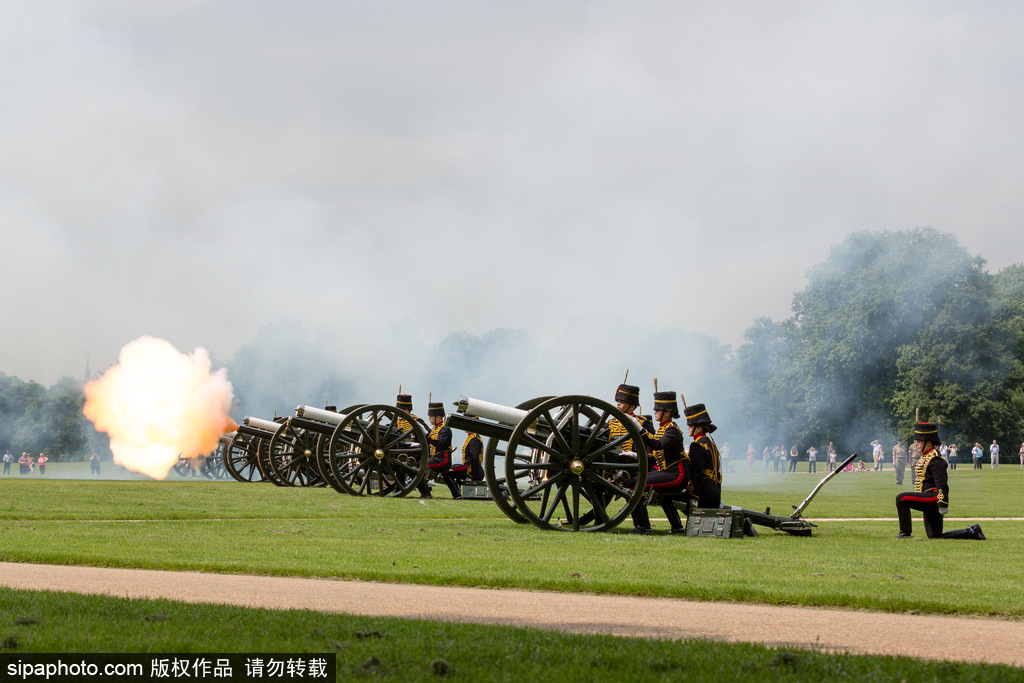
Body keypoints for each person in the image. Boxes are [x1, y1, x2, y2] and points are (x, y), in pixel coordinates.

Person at [895, 422, 985, 540]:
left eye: (919, 441)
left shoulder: (936, 459)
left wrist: (942, 504)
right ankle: (972, 532)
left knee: (902, 498)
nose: (916, 443)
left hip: (933, 497)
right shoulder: (926, 456)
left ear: (928, 442)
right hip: (927, 497)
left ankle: (905, 533)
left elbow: (941, 484)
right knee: (935, 536)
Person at [624, 391, 688, 535]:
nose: (655, 412)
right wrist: (635, 455)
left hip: (676, 475)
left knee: (634, 485)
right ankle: (677, 527)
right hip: (667, 472)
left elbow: (658, 445)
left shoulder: (672, 429)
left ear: (667, 412)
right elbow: (656, 454)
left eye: (658, 410)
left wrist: (639, 429)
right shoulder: (663, 429)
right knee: (635, 484)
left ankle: (644, 527)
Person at [684, 403, 721, 509]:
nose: (688, 428)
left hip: (703, 492)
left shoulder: (696, 445)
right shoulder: (711, 444)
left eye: (691, 425)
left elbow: (697, 474)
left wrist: (693, 495)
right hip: (715, 491)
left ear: (699, 428)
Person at [417, 401, 455, 499]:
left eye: (431, 416)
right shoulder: (435, 429)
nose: (429, 418)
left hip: (443, 460)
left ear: (438, 417)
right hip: (436, 458)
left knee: (417, 468)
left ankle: (426, 493)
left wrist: (426, 434)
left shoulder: (445, 429)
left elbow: (439, 444)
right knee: (415, 466)